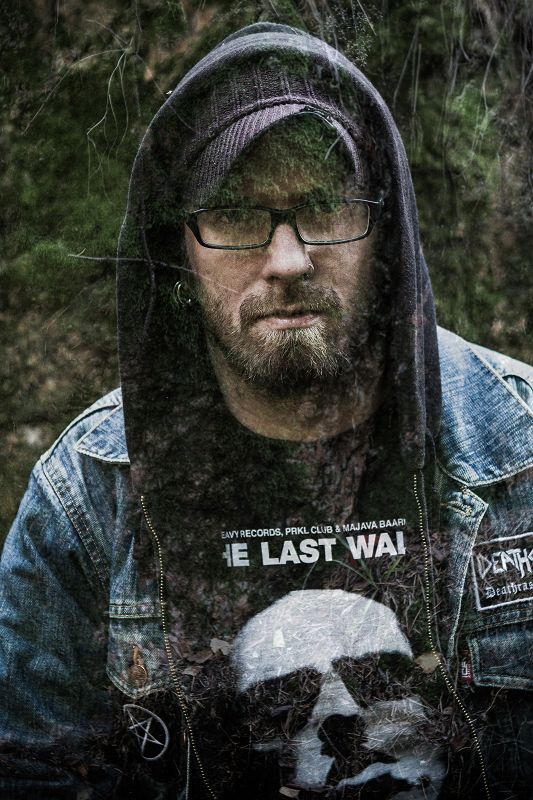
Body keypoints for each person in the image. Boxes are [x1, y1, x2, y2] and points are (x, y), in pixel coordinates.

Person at [1, 21, 532, 800]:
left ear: (384, 229)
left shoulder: (521, 457)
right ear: (177, 252)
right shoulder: (86, 498)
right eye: (235, 214)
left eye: (324, 206)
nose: (286, 260)